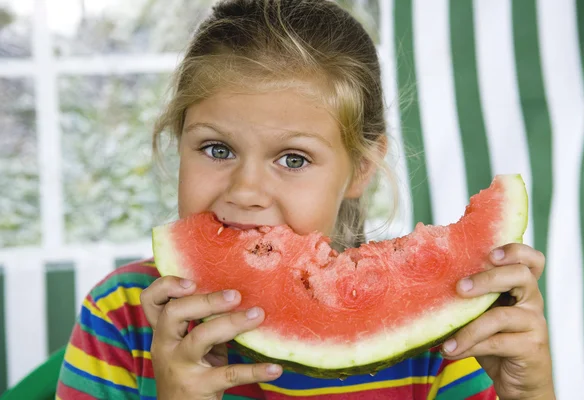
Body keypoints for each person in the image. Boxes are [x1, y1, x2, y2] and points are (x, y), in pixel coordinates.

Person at [55, 0, 555, 399]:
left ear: (360, 167)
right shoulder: (120, 316)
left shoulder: (443, 340)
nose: (246, 191)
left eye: (293, 159)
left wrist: (528, 393)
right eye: (217, 148)